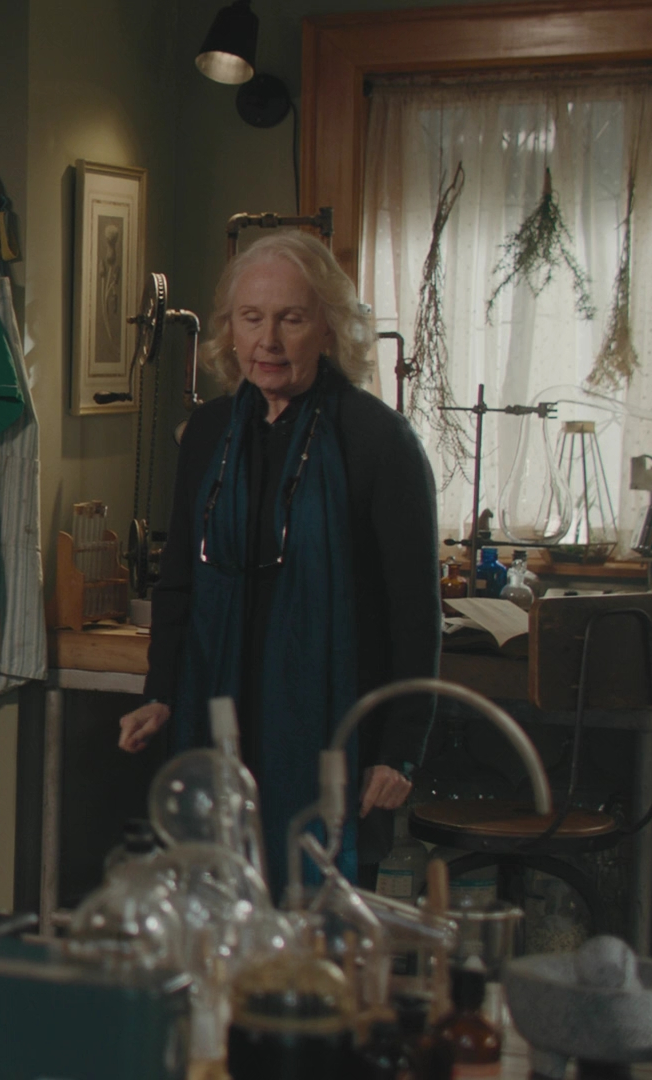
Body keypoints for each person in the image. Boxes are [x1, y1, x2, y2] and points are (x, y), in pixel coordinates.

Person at [116, 231, 439, 891]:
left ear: (328, 329)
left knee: (318, 934)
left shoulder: (378, 441)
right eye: (251, 318)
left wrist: (400, 751)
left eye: (291, 319)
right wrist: (160, 692)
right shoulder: (207, 435)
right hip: (219, 727)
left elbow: (414, 614)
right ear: (230, 330)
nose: (268, 340)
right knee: (213, 914)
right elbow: (180, 581)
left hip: (338, 743)